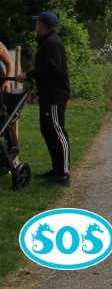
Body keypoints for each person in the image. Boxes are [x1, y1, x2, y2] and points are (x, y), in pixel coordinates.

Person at [16, 12, 71, 186]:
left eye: (37, 23)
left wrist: (28, 75)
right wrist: (38, 90)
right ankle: (56, 169)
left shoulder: (51, 43)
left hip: (55, 95)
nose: (35, 26)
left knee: (57, 132)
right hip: (48, 93)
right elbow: (48, 70)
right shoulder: (46, 42)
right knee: (48, 131)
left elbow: (53, 69)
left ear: (42, 25)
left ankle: (63, 174)